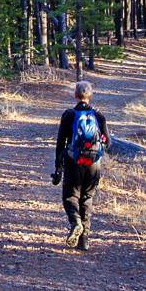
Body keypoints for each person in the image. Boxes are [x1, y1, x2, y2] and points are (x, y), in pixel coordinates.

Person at [51, 81, 110, 251]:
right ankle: (84, 240)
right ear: (90, 95)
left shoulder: (69, 115)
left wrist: (58, 166)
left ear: (75, 95)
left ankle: (75, 222)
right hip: (93, 163)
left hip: (73, 161)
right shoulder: (98, 116)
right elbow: (108, 141)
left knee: (70, 196)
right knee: (87, 198)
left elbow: (61, 142)